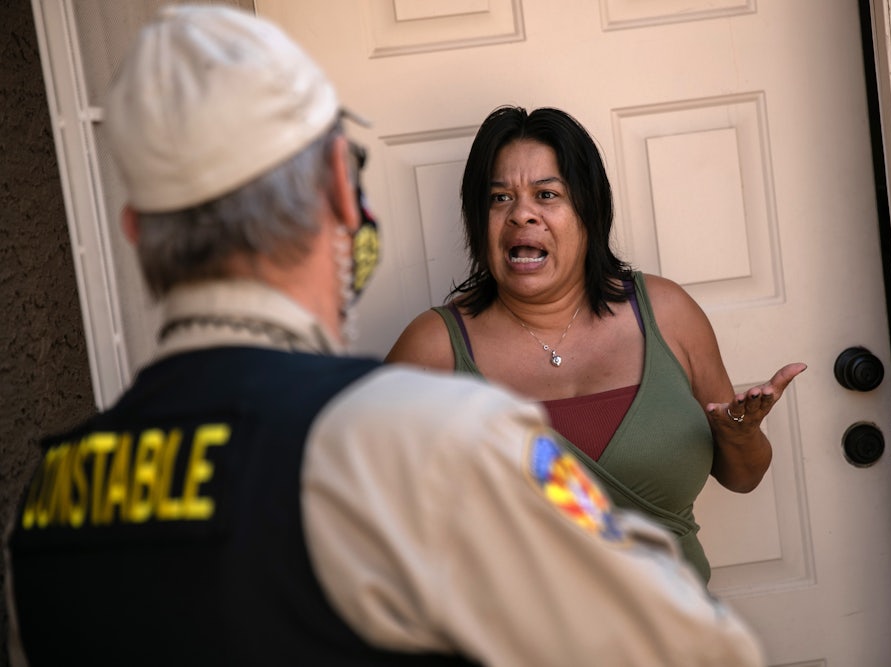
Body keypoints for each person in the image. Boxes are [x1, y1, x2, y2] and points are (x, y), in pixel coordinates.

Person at [4, 6, 766, 666]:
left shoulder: (48, 499)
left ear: (135, 232)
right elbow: (693, 640)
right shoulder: (424, 430)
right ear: (340, 189)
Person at [386, 105, 807, 582]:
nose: (522, 213)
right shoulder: (432, 350)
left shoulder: (666, 314)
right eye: (499, 198)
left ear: (589, 210)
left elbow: (744, 476)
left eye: (547, 194)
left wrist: (739, 435)